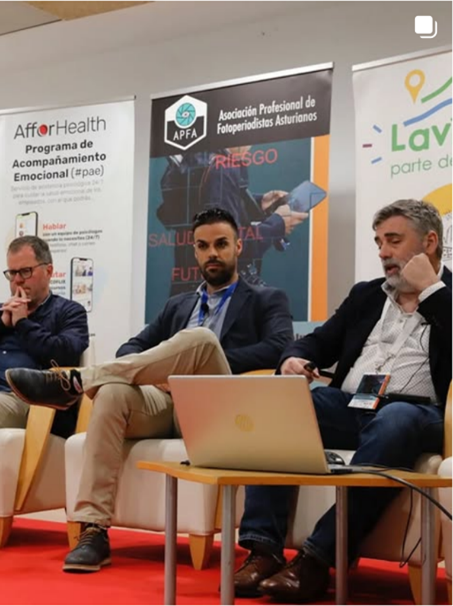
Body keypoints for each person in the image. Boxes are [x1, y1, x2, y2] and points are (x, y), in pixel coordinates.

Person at [6, 208, 294, 572]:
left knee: (201, 340)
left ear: (238, 246)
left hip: (217, 405)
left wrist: (190, 362)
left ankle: (78, 381)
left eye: (221, 244)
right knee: (112, 393)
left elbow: (279, 347)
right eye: (203, 246)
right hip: (166, 403)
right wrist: (159, 371)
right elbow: (131, 348)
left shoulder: (267, 298)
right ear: (194, 251)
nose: (212, 253)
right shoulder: (179, 304)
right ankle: (94, 530)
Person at [232, 199, 451, 602]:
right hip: (352, 404)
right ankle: (263, 549)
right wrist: (293, 358)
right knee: (279, 408)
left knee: (395, 420)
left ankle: (318, 559)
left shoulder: (448, 297)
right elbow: (317, 341)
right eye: (378, 242)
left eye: (394, 240)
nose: (383, 252)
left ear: (430, 242)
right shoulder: (367, 295)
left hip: (418, 413)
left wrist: (433, 292)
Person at [157, 147, 307, 295]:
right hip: (221, 295)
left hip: (190, 293)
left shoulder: (194, 161)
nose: (250, 147)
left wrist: (260, 201)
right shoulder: (223, 169)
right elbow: (231, 247)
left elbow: (206, 208)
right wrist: (277, 225)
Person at [0, 236, 89, 438]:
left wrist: (23, 323)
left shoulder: (69, 312)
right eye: (12, 273)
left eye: (25, 271)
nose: (17, 280)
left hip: (31, 401)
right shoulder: (3, 313)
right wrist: (3, 324)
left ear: (48, 271)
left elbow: (64, 354)